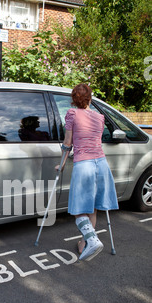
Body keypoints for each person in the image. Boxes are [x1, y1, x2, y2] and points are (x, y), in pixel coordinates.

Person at [57, 83, 119, 261]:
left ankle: (92, 240)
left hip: (84, 164)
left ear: (73, 100)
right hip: (101, 163)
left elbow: (68, 142)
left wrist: (61, 163)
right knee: (92, 206)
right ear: (90, 98)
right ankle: (85, 243)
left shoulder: (72, 113)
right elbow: (95, 141)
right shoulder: (100, 117)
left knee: (79, 208)